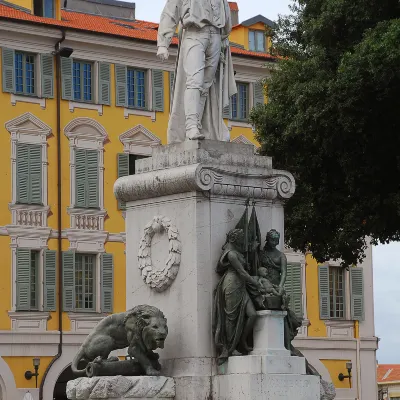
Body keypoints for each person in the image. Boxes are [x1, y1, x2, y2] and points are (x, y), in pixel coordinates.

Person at [157, 0, 237, 143]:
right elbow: (171, 11)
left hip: (216, 35)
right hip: (194, 33)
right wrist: (163, 43)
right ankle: (191, 126)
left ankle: (197, 123)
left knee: (206, 84)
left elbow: (224, 11)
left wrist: (224, 37)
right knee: (195, 80)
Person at [213, 228, 265, 365]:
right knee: (232, 318)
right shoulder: (231, 254)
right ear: (234, 239)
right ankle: (230, 348)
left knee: (252, 314)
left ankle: (241, 340)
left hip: (241, 286)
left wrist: (253, 251)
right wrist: (256, 283)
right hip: (232, 285)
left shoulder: (237, 253)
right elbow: (242, 272)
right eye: (242, 238)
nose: (244, 240)